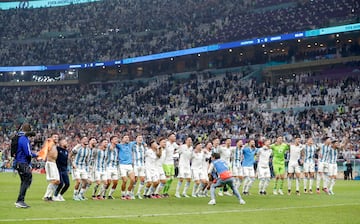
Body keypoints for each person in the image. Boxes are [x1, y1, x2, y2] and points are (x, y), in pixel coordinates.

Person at [14, 123, 37, 208]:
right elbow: (28, 153)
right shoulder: (24, 139)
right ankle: (20, 201)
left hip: (18, 163)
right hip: (22, 163)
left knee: (25, 180)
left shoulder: (19, 137)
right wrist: (36, 155)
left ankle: (20, 200)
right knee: (27, 180)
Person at [71, 136, 91, 200]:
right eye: (84, 139)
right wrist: (73, 164)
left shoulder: (88, 149)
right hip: (76, 167)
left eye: (86, 139)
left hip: (83, 167)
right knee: (78, 181)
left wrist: (87, 167)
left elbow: (87, 160)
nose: (86, 140)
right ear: (81, 140)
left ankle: (80, 195)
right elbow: (71, 155)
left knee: (86, 182)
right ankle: (75, 195)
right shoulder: (78, 147)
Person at [117, 135, 136, 200]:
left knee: (133, 180)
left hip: (130, 165)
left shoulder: (130, 144)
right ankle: (123, 194)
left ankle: (128, 193)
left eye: (128, 137)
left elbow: (139, 141)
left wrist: (144, 144)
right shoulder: (119, 145)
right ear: (122, 139)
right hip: (122, 165)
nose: (127, 138)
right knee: (125, 180)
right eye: (125, 137)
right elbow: (112, 144)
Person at [42, 133, 60, 201]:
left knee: (57, 181)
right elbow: (45, 148)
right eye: (54, 137)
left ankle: (49, 196)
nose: (56, 138)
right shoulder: (50, 143)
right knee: (54, 180)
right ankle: (47, 196)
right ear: (51, 138)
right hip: (50, 163)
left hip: (54, 164)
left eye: (57, 137)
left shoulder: (55, 145)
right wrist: (47, 142)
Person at [132, 135, 146, 199]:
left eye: (141, 138)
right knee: (135, 180)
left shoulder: (144, 146)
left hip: (142, 165)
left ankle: (138, 193)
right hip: (135, 164)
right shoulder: (133, 146)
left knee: (143, 179)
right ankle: (131, 193)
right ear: (136, 139)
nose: (140, 139)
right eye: (139, 138)